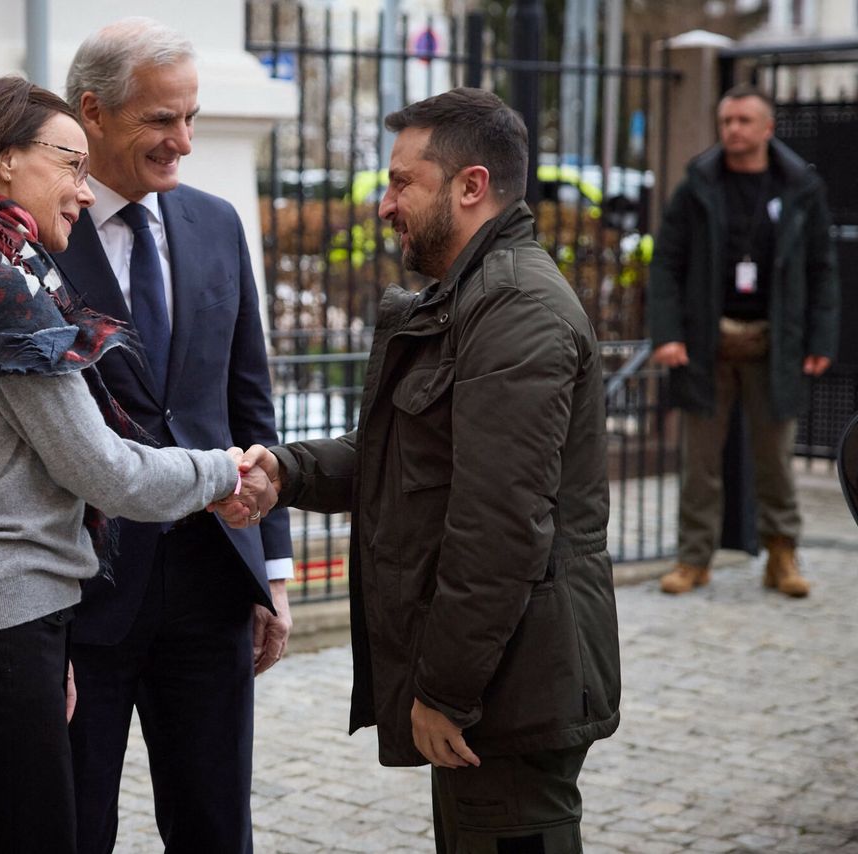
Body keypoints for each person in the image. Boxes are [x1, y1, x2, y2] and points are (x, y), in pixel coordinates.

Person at [0, 76, 273, 853]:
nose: (86, 193)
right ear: (3, 157)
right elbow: (109, 474)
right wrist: (228, 473)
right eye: (71, 166)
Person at [236, 88, 621, 853]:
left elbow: (498, 528)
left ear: (470, 186)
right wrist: (286, 472)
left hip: (511, 689)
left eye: (402, 181)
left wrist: (444, 691)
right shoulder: (471, 296)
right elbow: (405, 459)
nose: (385, 204)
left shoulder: (514, 306)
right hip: (496, 684)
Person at [53, 18, 294, 854]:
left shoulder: (217, 224)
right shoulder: (39, 237)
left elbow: (248, 405)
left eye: (191, 117)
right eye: (162, 120)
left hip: (210, 588)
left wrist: (271, 570)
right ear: (93, 112)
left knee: (215, 826)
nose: (183, 142)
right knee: (78, 826)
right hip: (84, 597)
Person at [648, 83, 840, 597]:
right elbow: (666, 262)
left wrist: (820, 338)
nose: (732, 129)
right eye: (726, 120)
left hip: (776, 344)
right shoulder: (698, 184)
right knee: (700, 462)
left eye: (743, 121)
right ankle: (694, 559)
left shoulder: (800, 186)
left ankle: (782, 557)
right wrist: (667, 333)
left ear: (767, 128)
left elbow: (823, 268)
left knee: (775, 458)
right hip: (706, 342)